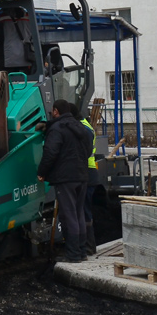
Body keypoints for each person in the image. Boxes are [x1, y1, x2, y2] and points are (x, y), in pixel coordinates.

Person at [37, 99, 93, 262]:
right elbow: (88, 150)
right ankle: (82, 252)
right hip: (82, 176)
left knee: (68, 215)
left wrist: (42, 172)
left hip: (66, 178)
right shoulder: (80, 127)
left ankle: (73, 254)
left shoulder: (57, 129)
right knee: (78, 213)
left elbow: (50, 153)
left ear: (56, 111)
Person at [70, 103, 99, 255]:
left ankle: (89, 246)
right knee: (83, 210)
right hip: (87, 172)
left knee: (84, 211)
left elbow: (85, 151)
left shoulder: (84, 129)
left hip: (87, 173)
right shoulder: (84, 125)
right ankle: (88, 246)